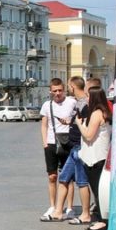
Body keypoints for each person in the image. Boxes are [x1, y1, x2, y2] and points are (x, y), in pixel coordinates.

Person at [51, 76, 91, 223]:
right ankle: (58, 211)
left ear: (72, 86)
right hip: (74, 146)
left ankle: (85, 214)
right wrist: (70, 121)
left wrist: (77, 124)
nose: (68, 89)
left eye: (68, 86)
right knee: (63, 178)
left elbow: (86, 125)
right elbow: (78, 121)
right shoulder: (79, 103)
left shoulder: (85, 104)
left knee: (81, 181)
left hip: (80, 147)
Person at [39, 78, 76, 221]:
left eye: (60, 90)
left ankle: (70, 207)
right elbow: (44, 125)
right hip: (51, 143)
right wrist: (45, 143)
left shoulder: (71, 102)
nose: (58, 93)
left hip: (68, 142)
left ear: (64, 89)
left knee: (68, 177)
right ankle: (52, 206)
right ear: (50, 91)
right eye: (54, 91)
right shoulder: (47, 105)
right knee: (52, 176)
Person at [77, 84, 112, 230]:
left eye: (88, 96)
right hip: (100, 155)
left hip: (96, 157)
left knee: (98, 189)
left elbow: (89, 135)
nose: (86, 98)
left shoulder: (97, 113)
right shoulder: (105, 111)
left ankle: (102, 220)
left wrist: (79, 124)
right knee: (99, 188)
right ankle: (102, 218)